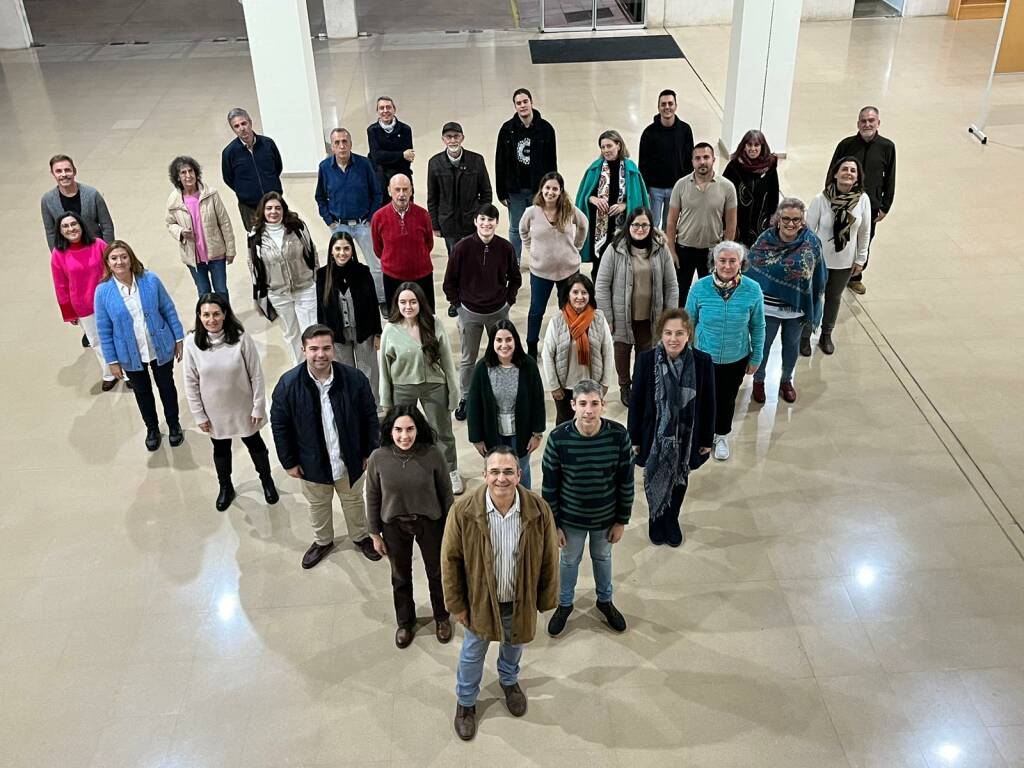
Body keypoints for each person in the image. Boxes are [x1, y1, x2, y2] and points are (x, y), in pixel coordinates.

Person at [441, 446, 559, 742]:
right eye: (494, 472)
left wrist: (544, 598)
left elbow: (548, 557)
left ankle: (509, 681)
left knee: (514, 643)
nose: (501, 478)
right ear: (484, 475)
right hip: (479, 601)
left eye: (508, 471)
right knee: (472, 653)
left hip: (519, 599)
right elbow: (450, 559)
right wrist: (456, 604)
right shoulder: (464, 510)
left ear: (519, 474)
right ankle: (465, 703)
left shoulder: (537, 509)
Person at [270, 324, 381, 569]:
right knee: (318, 505)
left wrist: (369, 450)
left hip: (350, 459)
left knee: (353, 501)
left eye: (326, 348)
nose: (320, 354)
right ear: (303, 350)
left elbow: (369, 416)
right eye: (314, 349)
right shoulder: (288, 385)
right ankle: (323, 541)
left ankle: (360, 536)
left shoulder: (354, 379)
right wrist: (288, 461)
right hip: (311, 463)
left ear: (333, 349)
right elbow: (279, 425)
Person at [542, 379, 633, 637]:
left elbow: (625, 481)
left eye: (594, 403)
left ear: (603, 405)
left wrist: (621, 521)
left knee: (603, 558)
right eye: (583, 404)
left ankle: (605, 600)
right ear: (573, 405)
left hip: (605, 518)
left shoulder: (618, 436)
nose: (588, 410)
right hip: (571, 520)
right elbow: (550, 486)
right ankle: (565, 604)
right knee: (569, 560)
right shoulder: (558, 439)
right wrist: (554, 524)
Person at [366, 405, 454, 649]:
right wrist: (374, 533)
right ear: (389, 431)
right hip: (393, 525)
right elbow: (372, 496)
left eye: (410, 429)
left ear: (418, 429)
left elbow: (446, 494)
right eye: (398, 430)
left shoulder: (433, 454)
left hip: (430, 522)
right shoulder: (378, 458)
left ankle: (442, 617)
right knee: (400, 576)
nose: (404, 436)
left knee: (436, 573)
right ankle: (405, 622)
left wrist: (451, 528)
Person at [182, 293, 278, 511]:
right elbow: (190, 382)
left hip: (243, 406)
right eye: (205, 314)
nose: (211, 319)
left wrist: (258, 405)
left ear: (225, 314)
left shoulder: (241, 337)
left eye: (216, 314)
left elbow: (256, 374)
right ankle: (225, 486)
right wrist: (199, 415)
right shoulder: (191, 344)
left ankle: (266, 480)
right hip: (214, 411)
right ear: (199, 316)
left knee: (256, 445)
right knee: (221, 450)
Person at [628, 309, 715, 547]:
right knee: (655, 474)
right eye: (667, 333)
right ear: (660, 334)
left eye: (679, 333)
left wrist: (707, 439)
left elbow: (709, 404)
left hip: (687, 438)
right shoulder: (646, 360)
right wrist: (633, 438)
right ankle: (656, 517)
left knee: (680, 478)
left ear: (689, 335)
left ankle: (672, 518)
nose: (673, 339)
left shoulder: (702, 362)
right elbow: (636, 402)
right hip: (654, 437)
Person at [94, 241, 185, 452]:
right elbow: (104, 330)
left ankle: (174, 424)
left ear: (131, 258)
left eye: (123, 257)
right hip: (129, 354)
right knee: (142, 393)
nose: (120, 262)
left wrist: (178, 338)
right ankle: (152, 428)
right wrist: (112, 361)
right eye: (114, 258)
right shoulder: (103, 292)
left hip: (159, 345)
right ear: (107, 263)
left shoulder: (150, 280)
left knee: (167, 387)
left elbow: (168, 308)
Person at [379, 282, 464, 494]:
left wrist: (454, 392)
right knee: (403, 432)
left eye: (412, 302)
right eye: (403, 302)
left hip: (434, 385)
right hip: (402, 387)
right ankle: (406, 472)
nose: (408, 306)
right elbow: (384, 368)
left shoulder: (434, 323)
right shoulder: (390, 329)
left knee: (442, 432)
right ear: (396, 304)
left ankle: (450, 471)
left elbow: (447, 361)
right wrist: (386, 400)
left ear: (420, 303)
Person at [684, 241, 765, 461]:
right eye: (722, 260)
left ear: (741, 263)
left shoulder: (752, 289)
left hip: (736, 357)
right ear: (714, 262)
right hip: (703, 356)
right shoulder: (699, 287)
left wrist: (756, 357)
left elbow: (758, 326)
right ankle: (703, 435)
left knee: (727, 399)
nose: (727, 266)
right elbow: (688, 323)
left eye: (732, 261)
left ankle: (721, 435)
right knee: (702, 397)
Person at [443, 204, 521, 420]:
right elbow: (449, 282)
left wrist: (508, 302)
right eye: (483, 219)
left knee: (503, 356)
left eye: (491, 220)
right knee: (468, 359)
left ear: (497, 223)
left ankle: (503, 397)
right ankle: (466, 398)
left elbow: (515, 278)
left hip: (498, 311)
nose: (487, 224)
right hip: (470, 312)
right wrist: (458, 306)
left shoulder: (505, 248)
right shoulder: (462, 247)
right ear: (475, 221)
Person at [595, 207, 679, 407]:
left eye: (644, 225)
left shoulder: (661, 249)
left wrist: (668, 318)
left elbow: (672, 285)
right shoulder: (615, 248)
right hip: (621, 317)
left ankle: (641, 386)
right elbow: (601, 285)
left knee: (646, 356)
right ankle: (625, 386)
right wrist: (608, 317)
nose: (640, 229)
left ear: (651, 226)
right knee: (622, 353)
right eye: (635, 224)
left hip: (651, 318)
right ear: (628, 226)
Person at [747, 198, 826, 404]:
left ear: (802, 221)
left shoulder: (812, 243)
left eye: (796, 219)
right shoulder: (765, 240)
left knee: (791, 347)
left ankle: (786, 380)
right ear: (778, 219)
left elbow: (818, 275)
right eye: (786, 219)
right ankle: (759, 380)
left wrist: (814, 305)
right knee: (762, 346)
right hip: (768, 309)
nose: (791, 224)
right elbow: (751, 269)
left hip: (796, 309)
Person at [42, 154, 115, 349]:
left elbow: (106, 225)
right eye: (59, 171)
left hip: (94, 253)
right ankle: (87, 327)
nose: (64, 174)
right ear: (53, 174)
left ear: (74, 171)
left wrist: (109, 254)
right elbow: (50, 231)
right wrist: (59, 256)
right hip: (71, 255)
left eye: (67, 170)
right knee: (78, 292)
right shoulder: (48, 200)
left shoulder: (92, 195)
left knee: (100, 290)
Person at [466, 320, 546, 488]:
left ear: (515, 341)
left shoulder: (528, 365)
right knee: (497, 472)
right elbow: (474, 405)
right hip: (492, 431)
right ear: (492, 342)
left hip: (521, 432)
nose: (504, 345)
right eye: (499, 340)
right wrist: (476, 438)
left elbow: (537, 400)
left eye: (508, 340)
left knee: (520, 471)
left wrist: (537, 433)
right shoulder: (482, 368)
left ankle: (525, 507)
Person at [804, 156, 871, 356]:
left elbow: (865, 231)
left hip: (844, 262)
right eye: (844, 169)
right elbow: (808, 231)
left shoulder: (863, 200)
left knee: (833, 298)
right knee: (814, 298)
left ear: (857, 178)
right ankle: (805, 335)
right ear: (835, 173)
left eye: (853, 171)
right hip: (819, 261)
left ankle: (826, 334)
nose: (848, 173)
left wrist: (861, 258)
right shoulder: (821, 199)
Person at [827, 106, 896, 295]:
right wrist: (830, 198)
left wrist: (885, 206)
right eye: (863, 121)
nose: (867, 124)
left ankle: (855, 277)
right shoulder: (846, 145)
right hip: (843, 203)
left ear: (878, 123)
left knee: (864, 238)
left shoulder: (887, 147)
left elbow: (890, 177)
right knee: (839, 236)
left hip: (871, 205)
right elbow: (832, 172)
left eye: (871, 120)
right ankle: (834, 274)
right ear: (858, 123)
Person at [519, 171, 588, 358]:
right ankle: (532, 345)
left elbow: (584, 225)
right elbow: (522, 231)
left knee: (567, 308)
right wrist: (530, 248)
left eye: (555, 189)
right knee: (536, 309)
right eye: (547, 188)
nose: (550, 192)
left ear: (561, 191)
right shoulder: (531, 212)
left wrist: (577, 246)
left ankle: (567, 342)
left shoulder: (570, 210)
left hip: (568, 270)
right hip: (541, 271)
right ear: (541, 189)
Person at [315, 128, 385, 306]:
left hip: (364, 224)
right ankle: (346, 300)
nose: (341, 146)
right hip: (340, 226)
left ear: (351, 144)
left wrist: (371, 217)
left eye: (345, 141)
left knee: (376, 266)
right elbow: (320, 197)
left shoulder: (364, 164)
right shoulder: (325, 167)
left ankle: (381, 299)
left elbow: (377, 193)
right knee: (340, 264)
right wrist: (329, 221)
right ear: (332, 147)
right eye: (337, 143)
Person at [247, 192, 318, 364]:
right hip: (278, 294)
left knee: (312, 332)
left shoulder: (297, 227)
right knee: (291, 335)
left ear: (283, 210)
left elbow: (312, 252)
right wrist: (258, 297)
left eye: (277, 208)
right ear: (262, 211)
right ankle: (300, 371)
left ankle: (318, 367)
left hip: (305, 288)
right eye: (269, 208)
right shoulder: (254, 236)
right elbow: (254, 267)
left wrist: (316, 278)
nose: (273, 212)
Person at [665, 143, 738, 309]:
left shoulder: (727, 187)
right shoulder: (681, 185)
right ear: (692, 161)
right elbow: (671, 221)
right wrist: (671, 249)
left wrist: (724, 253)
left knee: (711, 295)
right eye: (697, 158)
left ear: (713, 159)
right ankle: (680, 329)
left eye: (706, 157)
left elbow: (731, 224)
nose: (702, 161)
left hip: (712, 251)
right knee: (680, 294)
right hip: (684, 249)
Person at [49, 212, 115, 389]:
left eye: (73, 224)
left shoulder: (98, 244)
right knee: (96, 341)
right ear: (60, 231)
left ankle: (128, 372)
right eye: (66, 226)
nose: (71, 229)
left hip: (108, 301)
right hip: (83, 306)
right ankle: (109, 373)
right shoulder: (58, 254)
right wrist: (68, 312)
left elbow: (113, 268)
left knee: (117, 336)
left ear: (81, 225)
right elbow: (60, 284)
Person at [315, 231, 382, 401]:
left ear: (352, 250)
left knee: (369, 372)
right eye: (337, 248)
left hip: (364, 331)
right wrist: (323, 337)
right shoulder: (323, 275)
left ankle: (372, 406)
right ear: (331, 251)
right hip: (337, 335)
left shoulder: (363, 271)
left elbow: (373, 303)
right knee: (345, 373)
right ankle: (353, 405)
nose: (342, 253)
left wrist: (377, 333)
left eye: (346, 248)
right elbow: (320, 309)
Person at [540, 274, 615, 425]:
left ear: (590, 295)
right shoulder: (557, 321)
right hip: (565, 387)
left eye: (584, 292)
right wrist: (554, 386)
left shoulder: (599, 319)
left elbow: (608, 351)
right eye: (575, 292)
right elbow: (547, 354)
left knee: (590, 422)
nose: (579, 297)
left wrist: (605, 383)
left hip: (592, 385)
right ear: (568, 294)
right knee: (563, 424)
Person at [575, 130, 649, 280]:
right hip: (599, 227)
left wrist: (624, 206)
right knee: (599, 266)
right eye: (602, 147)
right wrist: (593, 199)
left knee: (621, 266)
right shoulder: (595, 169)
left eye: (609, 146)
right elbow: (583, 196)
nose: (606, 150)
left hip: (622, 227)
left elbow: (638, 198)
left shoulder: (631, 170)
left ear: (619, 145)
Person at [495, 88, 558, 261]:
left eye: (525, 102)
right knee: (516, 227)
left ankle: (540, 260)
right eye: (518, 103)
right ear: (515, 106)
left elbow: (552, 162)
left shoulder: (546, 129)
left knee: (540, 226)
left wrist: (554, 189)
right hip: (515, 189)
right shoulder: (507, 130)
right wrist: (501, 191)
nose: (522, 106)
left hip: (538, 190)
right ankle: (513, 262)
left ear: (531, 102)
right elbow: (499, 162)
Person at [165, 155, 236, 300]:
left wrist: (230, 249)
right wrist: (180, 232)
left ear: (196, 173)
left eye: (191, 171)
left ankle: (227, 320)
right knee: (204, 292)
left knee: (221, 291)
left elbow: (225, 223)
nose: (188, 176)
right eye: (183, 173)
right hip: (193, 257)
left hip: (216, 253)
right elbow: (170, 223)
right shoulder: (174, 200)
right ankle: (208, 321)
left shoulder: (211, 194)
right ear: (178, 177)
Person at [371, 174, 436, 312]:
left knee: (427, 315)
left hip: (422, 276)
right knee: (396, 318)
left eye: (405, 189)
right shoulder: (378, 217)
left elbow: (429, 244)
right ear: (389, 191)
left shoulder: (423, 215)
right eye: (397, 189)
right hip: (392, 277)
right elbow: (378, 249)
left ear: (411, 190)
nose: (401, 194)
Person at [427, 121, 493, 255]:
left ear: (462, 138)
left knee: (476, 257)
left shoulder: (476, 161)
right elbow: (432, 197)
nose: (452, 140)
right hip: (448, 223)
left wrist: (482, 218)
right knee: (454, 258)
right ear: (443, 140)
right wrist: (434, 224)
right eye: (448, 137)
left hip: (472, 222)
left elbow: (486, 193)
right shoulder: (435, 163)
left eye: (456, 136)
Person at [638, 89, 694, 230]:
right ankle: (652, 250)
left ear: (676, 106)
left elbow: (689, 160)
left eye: (670, 103)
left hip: (676, 188)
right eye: (663, 104)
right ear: (658, 107)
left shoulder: (685, 130)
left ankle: (666, 250)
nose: (667, 107)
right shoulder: (648, 133)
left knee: (669, 225)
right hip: (655, 189)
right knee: (653, 224)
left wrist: (687, 185)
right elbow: (643, 163)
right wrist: (644, 188)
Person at [220, 108, 284, 231]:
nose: (242, 128)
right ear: (233, 129)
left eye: (244, 123)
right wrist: (245, 192)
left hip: (274, 202)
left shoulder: (268, 144)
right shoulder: (229, 153)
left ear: (250, 122)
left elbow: (277, 167)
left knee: (279, 235)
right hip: (249, 207)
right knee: (256, 241)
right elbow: (228, 178)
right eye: (237, 126)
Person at [722, 130, 780, 248]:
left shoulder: (770, 166)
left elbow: (774, 193)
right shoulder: (734, 165)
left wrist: (772, 217)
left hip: (760, 222)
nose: (752, 148)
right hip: (737, 222)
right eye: (749, 145)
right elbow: (723, 192)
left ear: (762, 147)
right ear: (744, 146)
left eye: (756, 145)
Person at [367, 96, 414, 208]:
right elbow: (376, 156)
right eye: (381, 108)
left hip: (401, 175)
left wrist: (386, 156)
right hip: (381, 178)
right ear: (377, 111)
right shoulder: (372, 130)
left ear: (394, 109)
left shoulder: (405, 129)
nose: (385, 111)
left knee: (406, 208)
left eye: (388, 107)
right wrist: (401, 154)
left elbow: (408, 158)